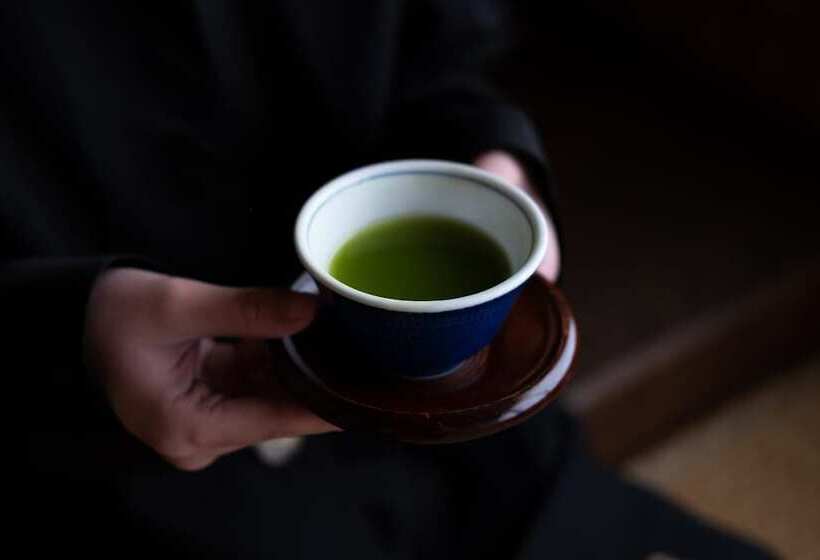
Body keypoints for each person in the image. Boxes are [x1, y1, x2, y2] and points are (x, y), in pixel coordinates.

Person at [2, 2, 772, 558]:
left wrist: (492, 153)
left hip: (490, 452)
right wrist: (60, 329)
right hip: (126, 492)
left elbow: (438, 52)